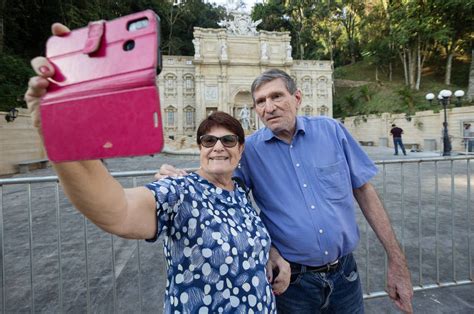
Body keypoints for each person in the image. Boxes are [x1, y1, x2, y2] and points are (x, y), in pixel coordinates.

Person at [24, 25, 290, 313]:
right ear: (199, 148)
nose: (218, 147)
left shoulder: (240, 193)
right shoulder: (179, 191)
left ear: (241, 148)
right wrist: (61, 137)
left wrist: (272, 254)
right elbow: (118, 211)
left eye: (228, 140)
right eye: (208, 140)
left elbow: (248, 240)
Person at [159, 69, 414, 313]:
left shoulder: (331, 131)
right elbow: (220, 188)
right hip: (292, 283)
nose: (268, 107)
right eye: (260, 101)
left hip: (345, 274)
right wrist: (181, 180)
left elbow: (365, 191)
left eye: (276, 96)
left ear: (297, 97)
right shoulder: (250, 152)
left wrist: (397, 260)